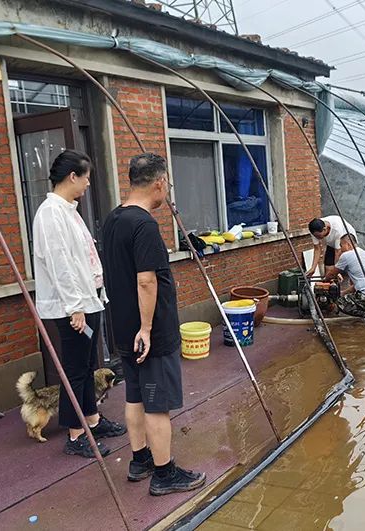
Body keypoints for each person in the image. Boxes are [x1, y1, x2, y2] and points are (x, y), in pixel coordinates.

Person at [102, 153, 206, 496]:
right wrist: (147, 329)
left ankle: (140, 459)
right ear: (159, 183)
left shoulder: (113, 219)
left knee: (135, 396)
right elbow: (146, 281)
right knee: (156, 403)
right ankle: (164, 474)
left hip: (122, 327)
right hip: (149, 333)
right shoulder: (144, 224)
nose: (167, 192)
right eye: (168, 185)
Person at [33, 150, 126, 458]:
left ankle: (92, 420)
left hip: (89, 301)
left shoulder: (68, 210)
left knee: (87, 367)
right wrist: (74, 306)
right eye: (86, 177)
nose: (88, 184)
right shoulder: (50, 213)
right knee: (75, 370)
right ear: (72, 176)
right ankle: (75, 436)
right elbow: (60, 264)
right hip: (73, 307)